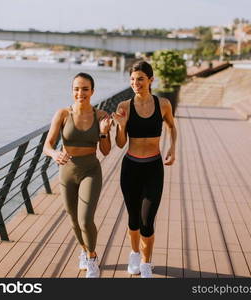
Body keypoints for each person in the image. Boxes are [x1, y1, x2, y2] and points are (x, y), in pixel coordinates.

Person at [43, 72, 113, 278]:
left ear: (92, 91)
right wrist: (55, 153)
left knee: (85, 219)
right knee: (73, 219)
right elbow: (47, 145)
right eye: (76, 88)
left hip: (91, 170)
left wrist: (103, 132)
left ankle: (92, 258)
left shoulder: (101, 116)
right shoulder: (63, 114)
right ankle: (84, 250)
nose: (80, 93)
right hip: (66, 172)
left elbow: (107, 150)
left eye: (85, 89)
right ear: (72, 91)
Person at [111, 61, 177, 278]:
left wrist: (173, 148)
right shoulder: (125, 106)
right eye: (132, 79)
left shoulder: (164, 104)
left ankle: (147, 263)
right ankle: (134, 253)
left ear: (151, 80)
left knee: (147, 222)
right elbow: (120, 144)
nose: (135, 83)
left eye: (140, 79)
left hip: (153, 168)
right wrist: (121, 126)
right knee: (133, 219)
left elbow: (171, 126)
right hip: (131, 168)